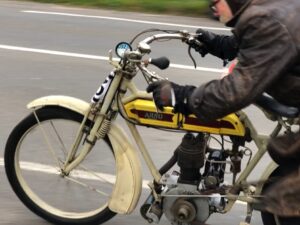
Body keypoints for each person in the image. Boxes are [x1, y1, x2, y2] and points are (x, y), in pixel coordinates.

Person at [146, 0, 300, 223]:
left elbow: (235, 92)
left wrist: (181, 96)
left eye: (216, 0)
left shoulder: (262, 20)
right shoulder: (268, 8)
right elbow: (264, 47)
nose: (211, 5)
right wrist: (217, 44)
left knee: (287, 197)